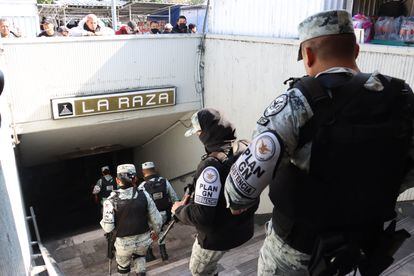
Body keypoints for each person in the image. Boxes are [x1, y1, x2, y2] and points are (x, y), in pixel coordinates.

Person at [224, 10, 414, 276]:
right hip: (361, 250)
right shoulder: (402, 97)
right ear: (356, 50)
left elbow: (238, 194)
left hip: (297, 254)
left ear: (309, 55)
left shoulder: (297, 104)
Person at [172, 108, 258, 276]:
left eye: (198, 133)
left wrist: (179, 210)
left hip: (219, 238)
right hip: (245, 228)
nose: (198, 137)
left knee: (198, 270)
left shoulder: (210, 166)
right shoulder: (246, 146)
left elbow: (202, 217)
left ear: (205, 134)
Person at [101, 164, 163, 276]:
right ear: (135, 178)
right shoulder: (144, 195)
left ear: (117, 180)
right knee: (140, 260)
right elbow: (157, 221)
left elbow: (108, 228)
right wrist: (156, 233)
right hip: (143, 243)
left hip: (123, 246)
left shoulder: (109, 201)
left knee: (123, 269)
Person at [138, 161, 179, 261]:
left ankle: (149, 255)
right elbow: (174, 198)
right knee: (160, 231)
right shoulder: (164, 181)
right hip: (164, 214)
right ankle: (163, 254)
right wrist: (175, 213)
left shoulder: (142, 186)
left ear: (143, 172)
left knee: (149, 233)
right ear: (154, 170)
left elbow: (140, 204)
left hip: (151, 216)